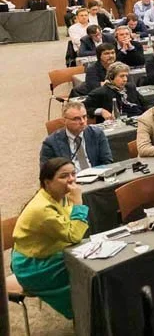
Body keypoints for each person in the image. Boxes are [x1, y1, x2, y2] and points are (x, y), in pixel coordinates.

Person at [11, 157, 90, 319]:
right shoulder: (42, 209)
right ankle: (86, 315)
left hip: (50, 252)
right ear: (47, 182)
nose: (71, 180)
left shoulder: (60, 195)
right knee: (86, 274)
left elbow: (68, 229)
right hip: (33, 266)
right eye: (63, 176)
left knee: (90, 265)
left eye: (73, 174)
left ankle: (89, 312)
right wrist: (79, 204)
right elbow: (74, 236)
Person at [40, 101, 113, 169]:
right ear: (64, 121)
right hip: (70, 180)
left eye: (84, 117)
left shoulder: (97, 134)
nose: (82, 121)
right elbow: (47, 174)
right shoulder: (51, 143)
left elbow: (107, 162)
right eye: (76, 119)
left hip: (97, 178)